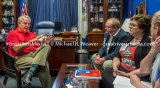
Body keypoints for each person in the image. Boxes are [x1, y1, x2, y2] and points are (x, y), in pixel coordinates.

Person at [99, 14, 151, 88]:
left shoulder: (147, 42)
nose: (130, 26)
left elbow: (147, 68)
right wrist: (115, 68)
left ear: (142, 28)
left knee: (112, 83)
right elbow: (117, 56)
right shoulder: (129, 38)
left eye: (133, 25)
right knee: (104, 74)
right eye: (130, 24)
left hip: (135, 74)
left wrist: (128, 74)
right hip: (121, 69)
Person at [6, 15, 53, 88]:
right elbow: (16, 49)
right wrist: (32, 41)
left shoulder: (32, 34)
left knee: (47, 46)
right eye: (25, 23)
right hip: (20, 57)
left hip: (34, 55)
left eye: (29, 24)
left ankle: (30, 73)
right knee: (44, 64)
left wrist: (45, 43)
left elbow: (38, 49)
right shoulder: (12, 34)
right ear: (19, 23)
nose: (27, 25)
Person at [130, 12, 160, 88]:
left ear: (156, 29)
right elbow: (144, 70)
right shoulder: (156, 46)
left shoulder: (146, 41)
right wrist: (153, 50)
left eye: (151, 26)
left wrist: (137, 83)